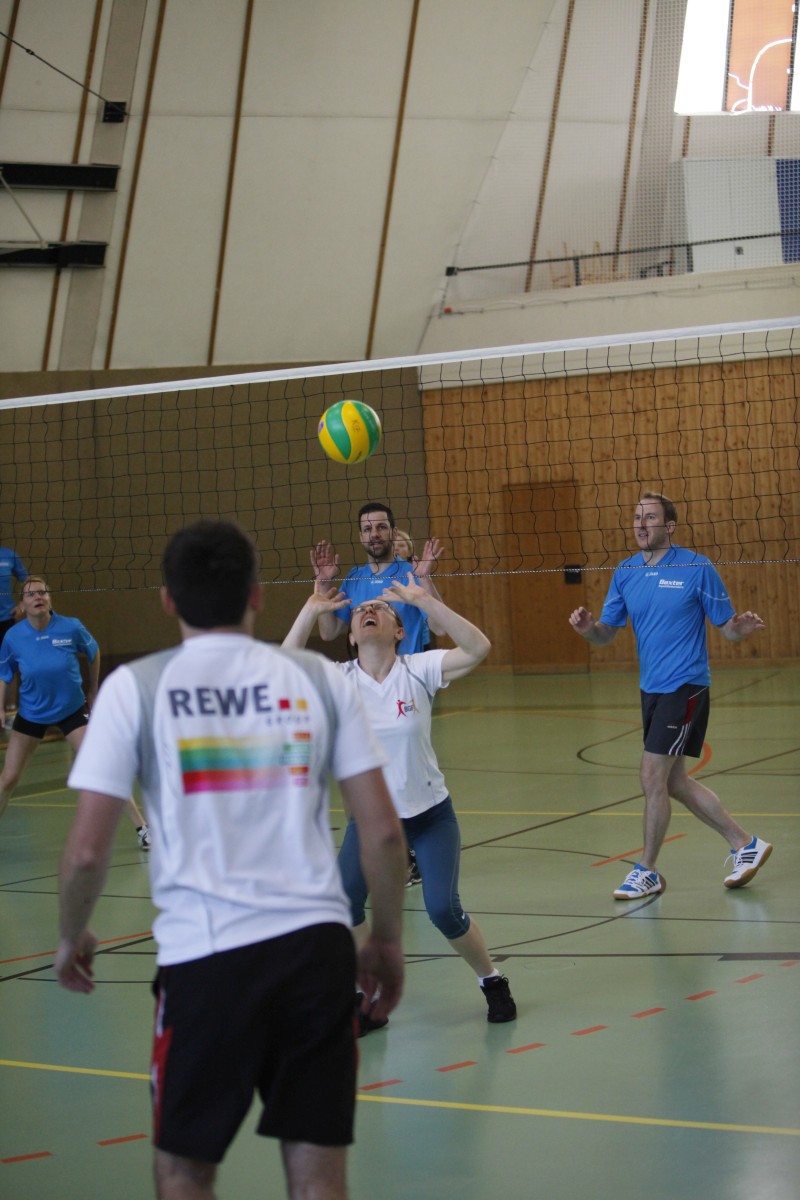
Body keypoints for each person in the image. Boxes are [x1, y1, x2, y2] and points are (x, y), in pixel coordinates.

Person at [56, 520, 406, 1200]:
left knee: (184, 1173)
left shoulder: (134, 687)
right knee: (318, 1177)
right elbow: (384, 834)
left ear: (167, 600)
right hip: (314, 956)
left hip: (205, 963)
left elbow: (87, 852)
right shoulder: (319, 678)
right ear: (256, 595)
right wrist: (386, 940)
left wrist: (72, 934)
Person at [284, 576, 517, 1027]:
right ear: (352, 636)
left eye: (382, 610)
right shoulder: (339, 680)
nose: (368, 610)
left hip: (429, 816)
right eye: (359, 611)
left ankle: (491, 979)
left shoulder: (418, 669)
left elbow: (478, 647)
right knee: (344, 905)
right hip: (373, 823)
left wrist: (425, 601)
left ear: (399, 632)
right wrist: (311, 611)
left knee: (443, 911)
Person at [568, 491, 772, 899]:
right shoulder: (625, 572)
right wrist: (588, 629)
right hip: (652, 690)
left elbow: (727, 628)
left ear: (670, 526)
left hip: (686, 685)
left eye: (650, 518)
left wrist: (741, 628)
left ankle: (646, 870)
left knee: (651, 776)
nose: (641, 525)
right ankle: (745, 843)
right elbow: (606, 634)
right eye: (636, 517)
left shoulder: (696, 567)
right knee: (674, 781)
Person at [0, 575, 150, 848]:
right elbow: (4, 674)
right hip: (32, 714)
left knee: (102, 767)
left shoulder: (70, 627)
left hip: (72, 710)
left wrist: (93, 689)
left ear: (50, 598)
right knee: (8, 778)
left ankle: (142, 828)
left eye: (43, 592)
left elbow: (93, 652)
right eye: (31, 594)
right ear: (22, 603)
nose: (38, 597)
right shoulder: (13, 637)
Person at [311, 501, 444, 654]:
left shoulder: (412, 573)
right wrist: (323, 586)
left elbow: (440, 629)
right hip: (369, 669)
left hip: (407, 668)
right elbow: (329, 633)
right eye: (367, 529)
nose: (374, 534)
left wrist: (425, 580)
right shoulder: (354, 578)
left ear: (394, 533)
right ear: (361, 537)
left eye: (381, 527)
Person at [0, 539, 27, 723]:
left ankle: (10, 713)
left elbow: (28, 581)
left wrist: (22, 605)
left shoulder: (8, 555)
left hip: (6, 620)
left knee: (9, 666)